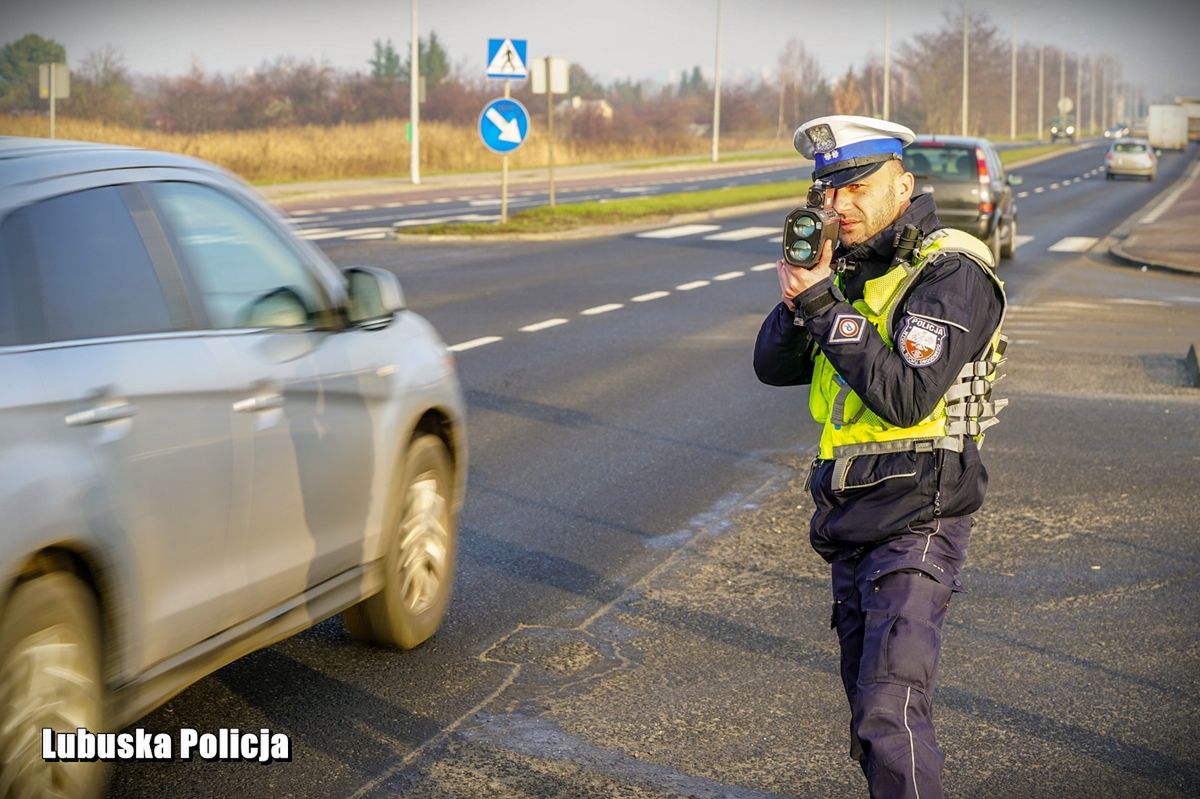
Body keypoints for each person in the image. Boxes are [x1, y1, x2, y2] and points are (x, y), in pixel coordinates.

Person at [753, 115, 1008, 798]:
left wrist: (821, 304)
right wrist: (805, 291)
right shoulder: (850, 271)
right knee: (868, 722)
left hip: (919, 516)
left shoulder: (951, 270)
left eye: (857, 187)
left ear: (904, 184)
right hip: (849, 516)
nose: (839, 205)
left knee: (889, 714)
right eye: (826, 192)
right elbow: (771, 366)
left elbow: (905, 394)